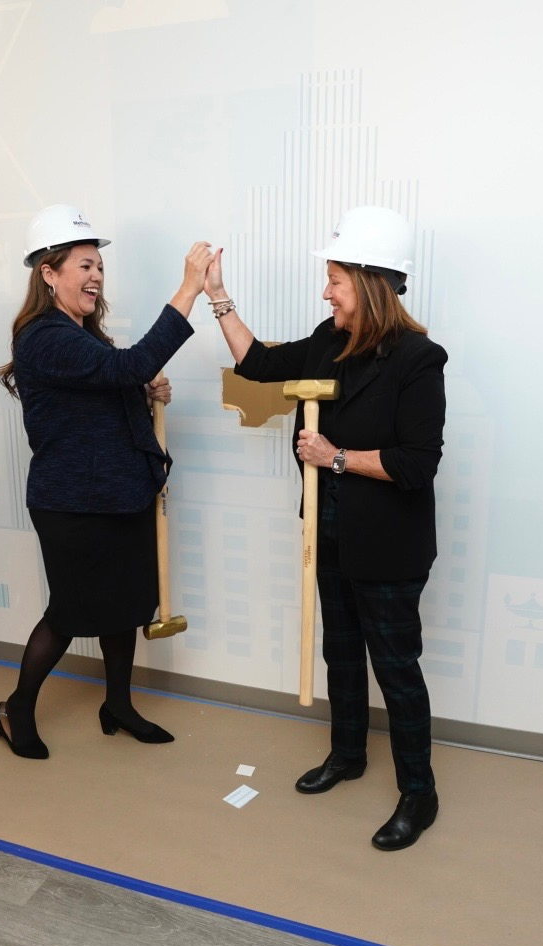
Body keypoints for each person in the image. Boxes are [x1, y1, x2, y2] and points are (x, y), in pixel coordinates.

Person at [206, 207, 447, 850]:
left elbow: (417, 465)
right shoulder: (331, 339)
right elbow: (257, 364)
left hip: (389, 545)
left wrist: (334, 457)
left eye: (335, 278)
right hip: (331, 532)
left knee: (396, 670)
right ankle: (348, 756)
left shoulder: (419, 360)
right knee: (340, 653)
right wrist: (217, 296)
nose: (326, 290)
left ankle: (418, 795)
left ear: (368, 284)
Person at [0, 205, 213, 759]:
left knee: (125, 606)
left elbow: (105, 390)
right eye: (84, 265)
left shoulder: (82, 335)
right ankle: (15, 708)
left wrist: (140, 394)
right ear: (49, 272)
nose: (95, 276)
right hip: (72, 504)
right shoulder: (44, 336)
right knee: (70, 613)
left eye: (99, 267)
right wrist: (188, 290)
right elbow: (127, 367)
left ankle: (117, 703)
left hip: (120, 495)